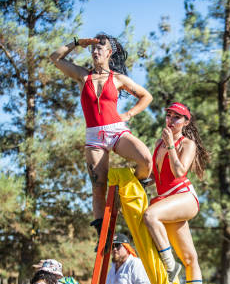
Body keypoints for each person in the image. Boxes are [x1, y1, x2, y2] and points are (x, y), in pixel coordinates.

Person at [50, 33, 153, 246]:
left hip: (116, 130)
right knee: (98, 187)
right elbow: (55, 58)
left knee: (146, 159)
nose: (95, 51)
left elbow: (146, 96)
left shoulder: (118, 79)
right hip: (94, 136)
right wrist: (78, 42)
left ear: (108, 53)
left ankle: (134, 186)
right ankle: (103, 237)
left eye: (100, 48)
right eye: (93, 49)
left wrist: (129, 114)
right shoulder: (83, 76)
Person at [143, 102, 209, 284]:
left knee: (150, 215)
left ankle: (170, 266)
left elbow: (180, 172)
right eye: (168, 116)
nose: (170, 121)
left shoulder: (186, 143)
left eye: (176, 118)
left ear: (186, 122)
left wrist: (171, 145)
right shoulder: (158, 144)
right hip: (167, 199)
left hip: (184, 197)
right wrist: (140, 179)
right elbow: (157, 177)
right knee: (190, 257)